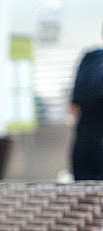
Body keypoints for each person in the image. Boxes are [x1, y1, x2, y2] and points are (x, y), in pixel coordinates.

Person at [70, 24, 103, 180]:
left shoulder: (89, 60)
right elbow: (75, 106)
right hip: (89, 140)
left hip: (85, 139)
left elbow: (75, 106)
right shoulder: (91, 59)